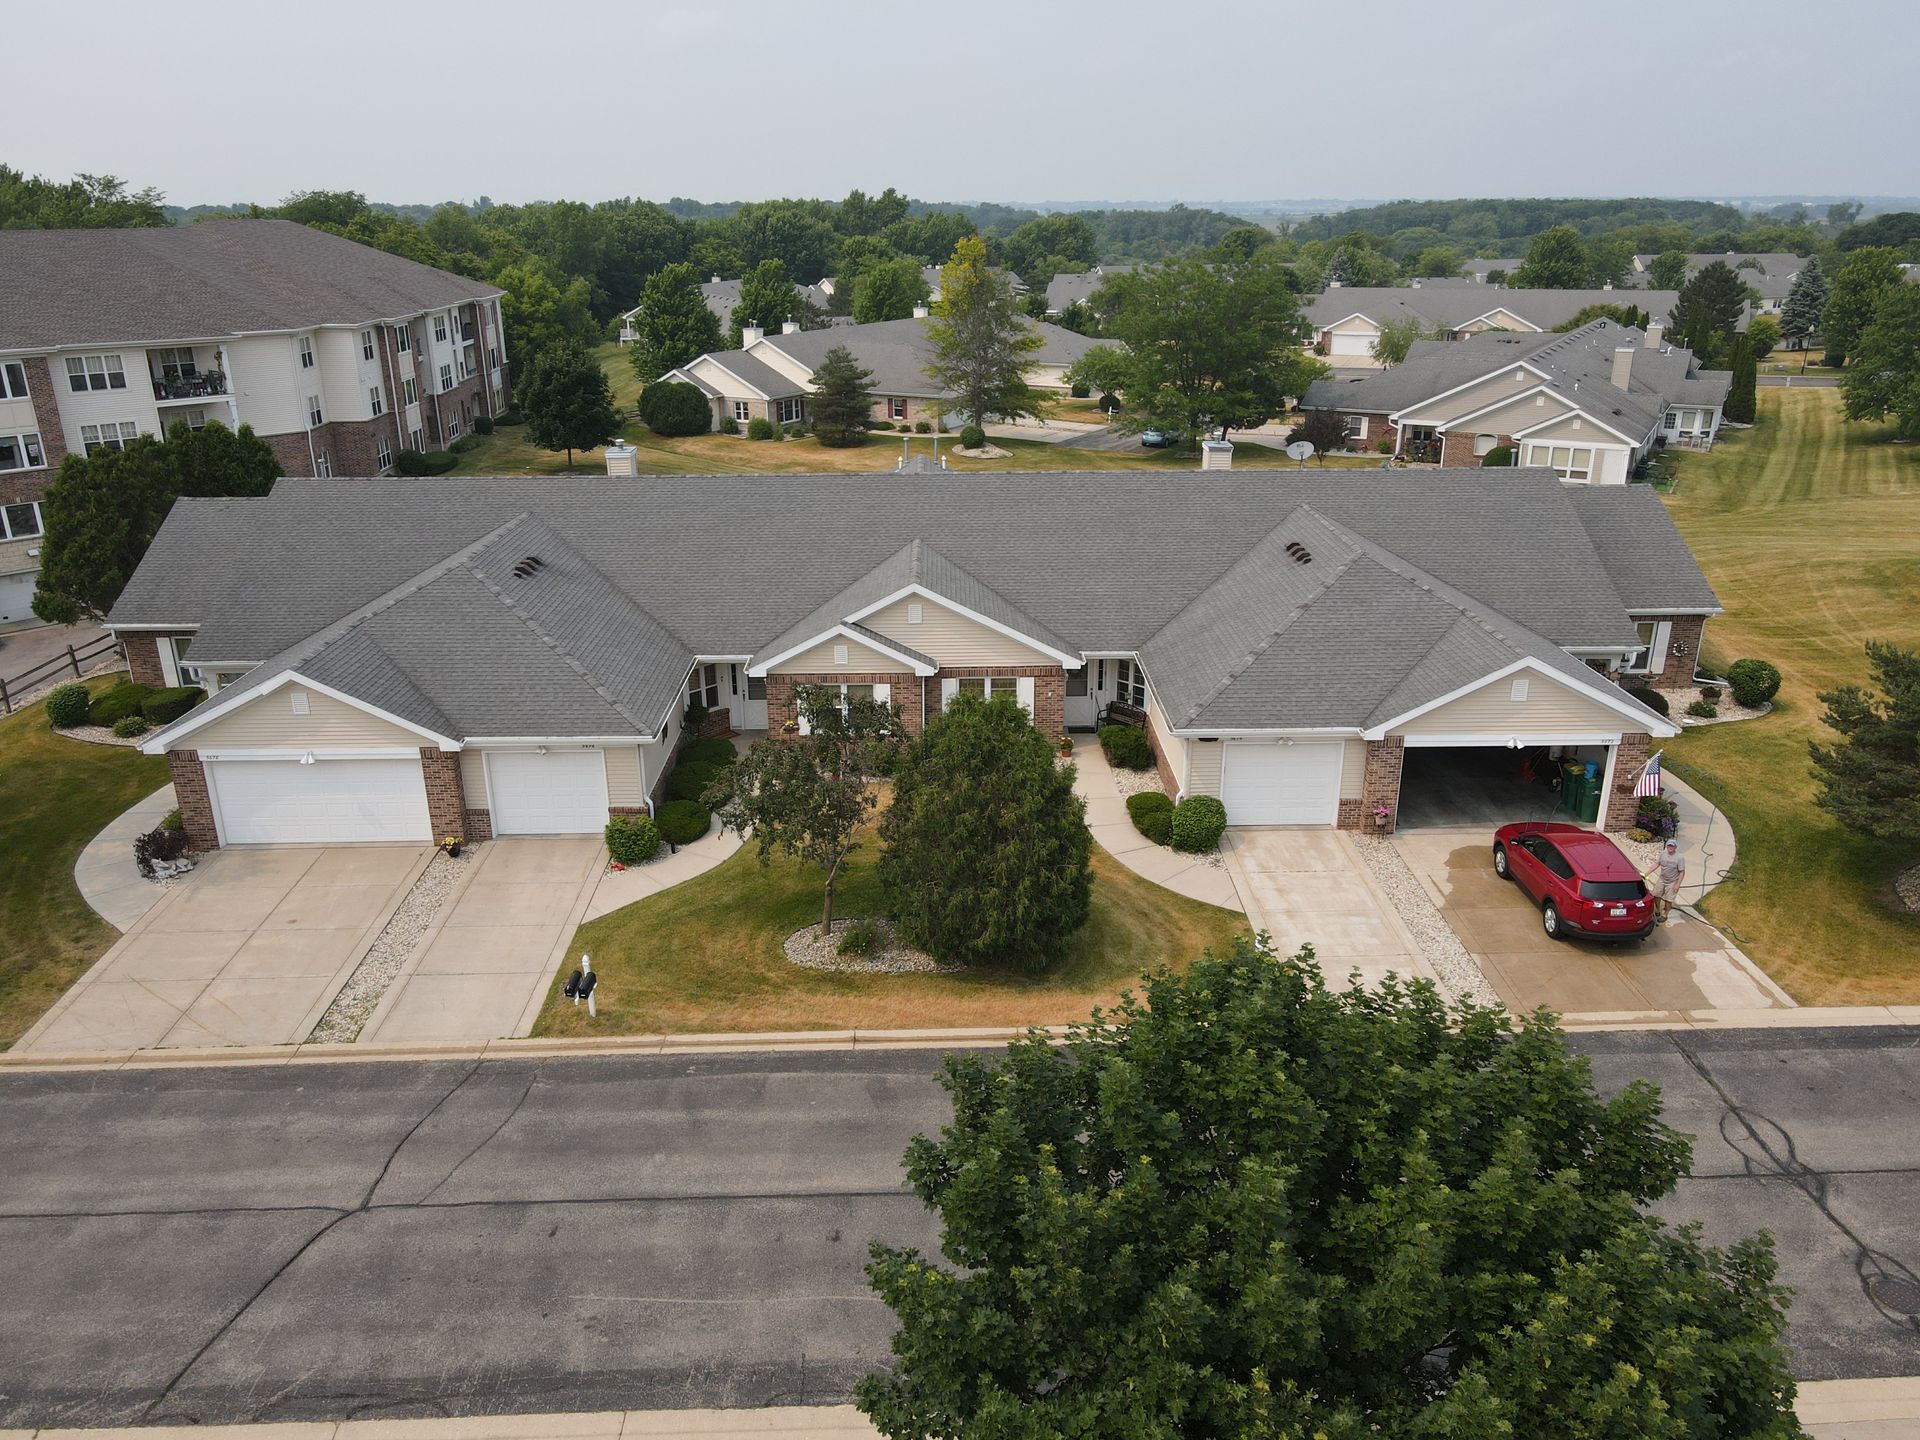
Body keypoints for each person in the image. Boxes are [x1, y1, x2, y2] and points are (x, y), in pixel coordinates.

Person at [1650, 839, 1686, 924]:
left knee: (1668, 900)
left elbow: (1682, 872)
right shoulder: (1663, 854)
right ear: (1666, 846)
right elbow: (1657, 864)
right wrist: (1646, 873)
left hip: (1672, 881)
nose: (1670, 847)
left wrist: (1678, 884)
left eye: (1672, 846)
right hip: (1662, 879)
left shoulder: (1680, 857)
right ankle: (1658, 909)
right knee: (1656, 895)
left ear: (1675, 847)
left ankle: (1665, 914)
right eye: (1669, 846)